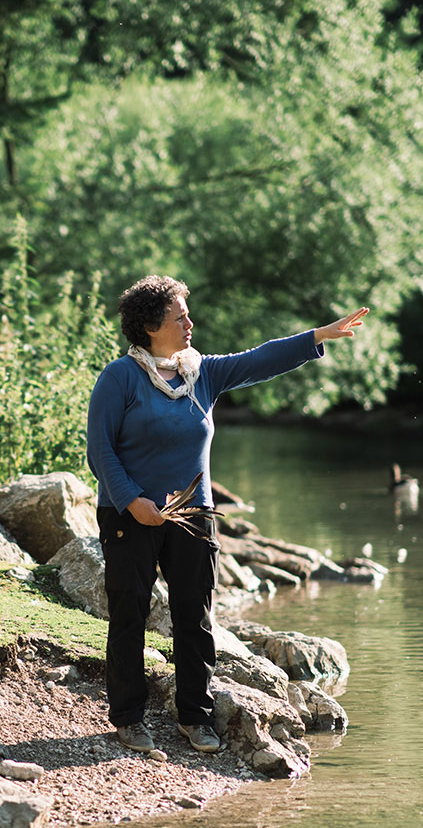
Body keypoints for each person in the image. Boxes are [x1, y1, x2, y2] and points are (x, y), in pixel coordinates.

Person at [86, 276, 368, 754]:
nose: (190, 324)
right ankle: (129, 718)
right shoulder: (120, 378)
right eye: (180, 317)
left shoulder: (203, 374)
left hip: (194, 515)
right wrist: (134, 501)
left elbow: (259, 359)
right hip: (128, 514)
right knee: (129, 615)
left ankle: (195, 717)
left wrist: (317, 336)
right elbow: (100, 451)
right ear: (153, 326)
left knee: (194, 617)